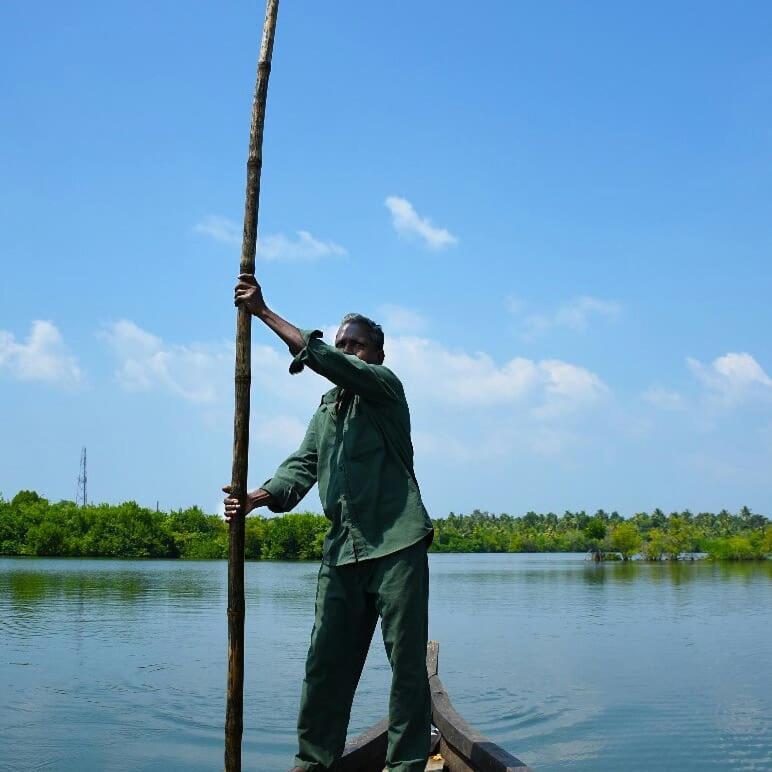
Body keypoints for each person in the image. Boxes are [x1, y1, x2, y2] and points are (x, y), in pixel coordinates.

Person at [223, 274, 434, 772]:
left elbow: (326, 362)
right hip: (342, 553)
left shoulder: (384, 387)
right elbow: (301, 466)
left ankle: (405, 765)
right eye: (341, 344)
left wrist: (264, 312)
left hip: (397, 544)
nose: (345, 351)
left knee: (406, 668)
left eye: (355, 346)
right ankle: (313, 763)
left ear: (376, 355)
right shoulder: (326, 410)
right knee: (324, 668)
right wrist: (256, 497)